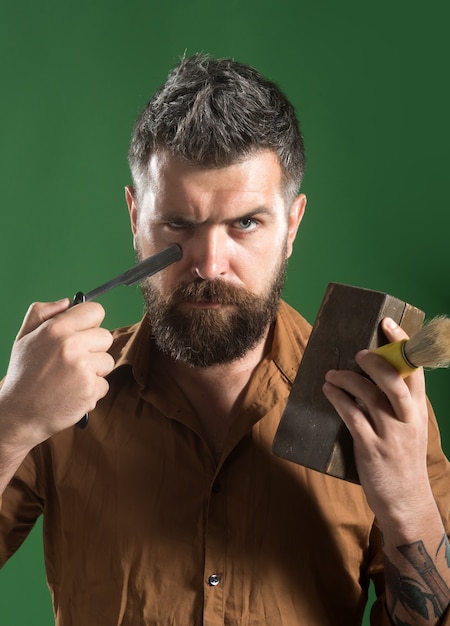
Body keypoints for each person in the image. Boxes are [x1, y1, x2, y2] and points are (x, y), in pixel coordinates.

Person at [0, 53, 449, 626]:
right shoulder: (56, 398)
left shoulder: (382, 411)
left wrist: (409, 503)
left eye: (245, 223)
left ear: (292, 226)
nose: (209, 263)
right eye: (179, 226)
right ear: (135, 217)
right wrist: (11, 419)